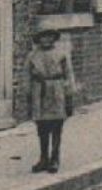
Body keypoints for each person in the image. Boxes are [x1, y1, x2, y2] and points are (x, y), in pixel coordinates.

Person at [27, 28, 77, 173]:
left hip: (56, 91)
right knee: (42, 127)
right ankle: (43, 158)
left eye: (49, 37)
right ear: (38, 39)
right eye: (43, 37)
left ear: (54, 39)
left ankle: (55, 158)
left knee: (56, 126)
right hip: (39, 92)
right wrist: (29, 96)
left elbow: (69, 75)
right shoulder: (32, 56)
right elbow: (27, 77)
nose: (46, 40)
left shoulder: (61, 54)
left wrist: (69, 96)